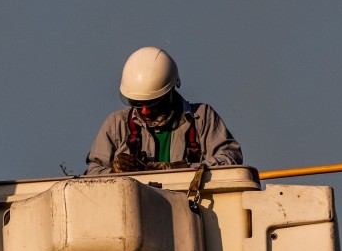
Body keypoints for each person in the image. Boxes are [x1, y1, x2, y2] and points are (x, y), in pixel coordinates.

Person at [85, 46, 242, 174]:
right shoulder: (117, 124)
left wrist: (181, 170)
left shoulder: (201, 118)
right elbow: (92, 174)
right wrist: (114, 172)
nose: (145, 111)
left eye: (153, 103)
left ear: (170, 92)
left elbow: (231, 158)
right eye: (137, 103)